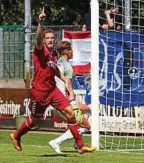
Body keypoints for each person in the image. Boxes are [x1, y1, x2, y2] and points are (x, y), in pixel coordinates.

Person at [9, 8, 88, 154]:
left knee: (70, 114)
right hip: (39, 93)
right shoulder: (40, 50)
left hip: (52, 91)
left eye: (52, 38)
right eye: (48, 38)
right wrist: (40, 22)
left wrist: (63, 79)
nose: (50, 40)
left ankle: (80, 145)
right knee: (34, 121)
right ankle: (16, 135)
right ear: (44, 40)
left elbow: (54, 68)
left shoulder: (54, 54)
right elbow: (38, 37)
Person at [48, 41, 96, 153]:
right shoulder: (67, 66)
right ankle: (56, 142)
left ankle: (76, 144)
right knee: (87, 125)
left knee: (88, 110)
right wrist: (73, 103)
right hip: (63, 102)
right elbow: (68, 85)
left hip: (55, 101)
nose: (72, 52)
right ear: (66, 51)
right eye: (71, 50)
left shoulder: (58, 63)